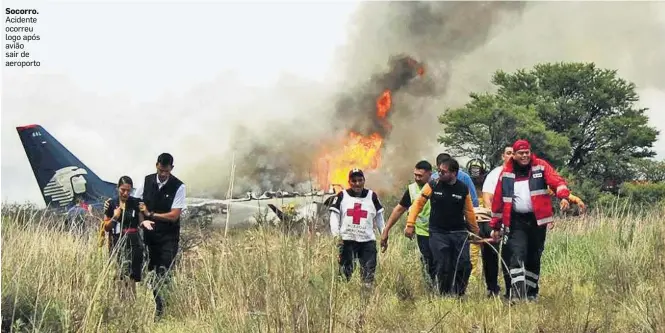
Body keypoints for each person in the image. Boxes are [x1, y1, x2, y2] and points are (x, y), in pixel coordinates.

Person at [489, 139, 572, 301]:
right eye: (521, 153)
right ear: (514, 155)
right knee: (516, 255)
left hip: (537, 221)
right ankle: (517, 295)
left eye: (527, 152)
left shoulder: (541, 166)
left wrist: (564, 197)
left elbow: (557, 181)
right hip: (515, 221)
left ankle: (531, 293)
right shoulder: (505, 173)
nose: (525, 155)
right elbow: (498, 201)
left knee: (534, 256)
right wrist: (495, 226)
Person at [405, 156, 479, 297]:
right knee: (443, 265)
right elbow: (418, 204)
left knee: (464, 265)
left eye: (443, 172)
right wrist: (410, 224)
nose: (439, 174)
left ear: (454, 173)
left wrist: (475, 231)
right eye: (438, 171)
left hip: (458, 232)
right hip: (438, 233)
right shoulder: (433, 184)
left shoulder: (463, 189)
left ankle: (458, 294)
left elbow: (469, 212)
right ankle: (444, 295)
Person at [133, 153, 186, 318]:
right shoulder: (147, 181)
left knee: (164, 272)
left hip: (168, 237)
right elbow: (137, 203)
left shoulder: (179, 186)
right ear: (156, 165)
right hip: (149, 236)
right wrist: (142, 221)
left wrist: (151, 214)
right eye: (161, 170)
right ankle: (149, 308)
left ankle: (162, 311)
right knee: (148, 271)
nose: (163, 174)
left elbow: (174, 215)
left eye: (167, 171)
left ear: (172, 169)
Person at [380, 160, 436, 288]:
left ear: (429, 174)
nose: (416, 178)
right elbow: (399, 209)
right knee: (427, 262)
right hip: (423, 233)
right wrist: (386, 230)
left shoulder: (437, 186)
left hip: (439, 232)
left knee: (441, 261)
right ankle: (432, 290)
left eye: (420, 175)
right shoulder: (412, 189)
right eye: (415, 175)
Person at [329, 168, 385, 288]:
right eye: (354, 181)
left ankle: (366, 300)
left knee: (368, 274)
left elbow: (379, 217)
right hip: (347, 241)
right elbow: (334, 216)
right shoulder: (342, 195)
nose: (357, 183)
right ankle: (344, 298)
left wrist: (383, 234)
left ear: (364, 180)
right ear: (349, 182)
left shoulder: (372, 196)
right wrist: (336, 236)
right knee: (345, 274)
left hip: (367, 241)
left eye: (360, 180)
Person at [102, 176, 154, 300]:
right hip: (117, 242)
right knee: (120, 275)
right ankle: (121, 303)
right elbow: (106, 227)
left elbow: (141, 221)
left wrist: (144, 223)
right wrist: (115, 217)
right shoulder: (111, 204)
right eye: (122, 190)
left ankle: (131, 304)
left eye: (128, 191)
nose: (125, 193)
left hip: (133, 242)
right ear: (117, 188)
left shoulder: (135, 202)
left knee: (132, 277)